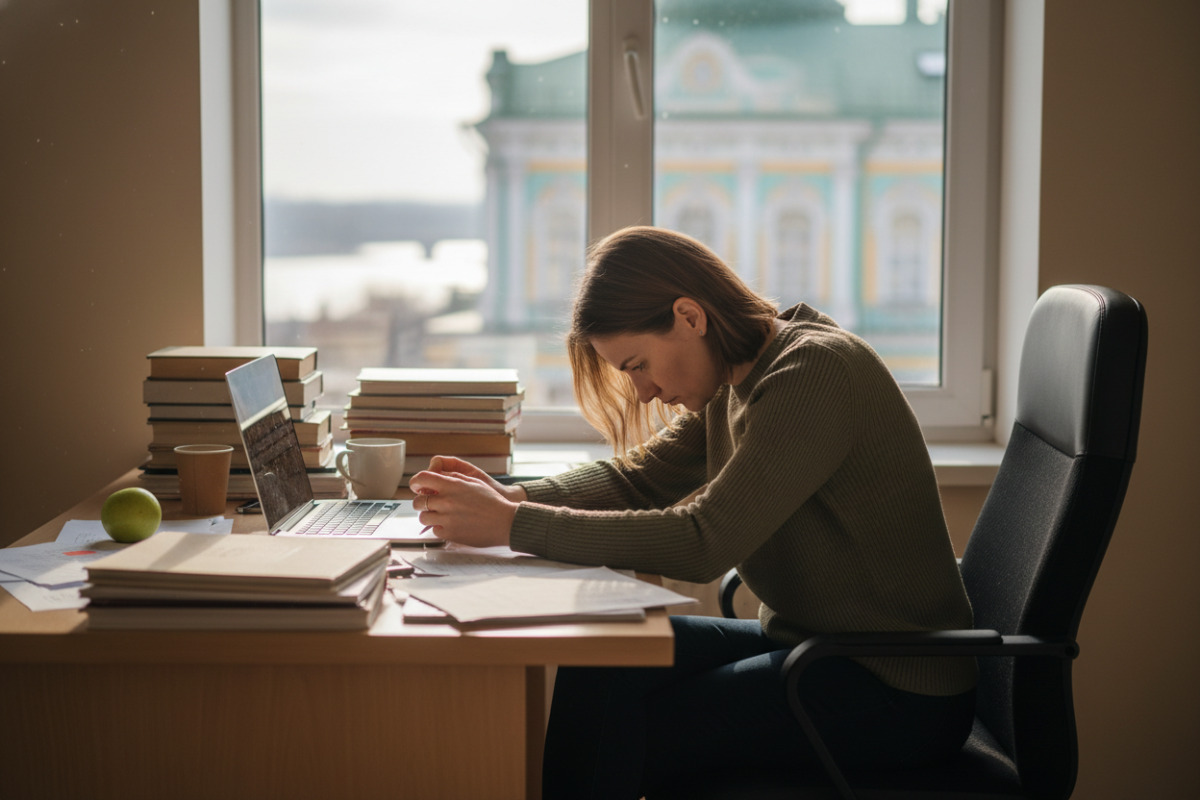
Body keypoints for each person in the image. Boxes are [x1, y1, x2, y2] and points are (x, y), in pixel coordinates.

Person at [409, 226, 976, 799]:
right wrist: (516, 499)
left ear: (689, 316)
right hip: (814, 647)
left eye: (637, 364)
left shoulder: (812, 373)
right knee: (601, 657)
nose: (643, 391)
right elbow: (640, 480)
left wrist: (512, 527)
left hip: (895, 690)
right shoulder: (740, 374)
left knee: (627, 734)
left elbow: (704, 541)